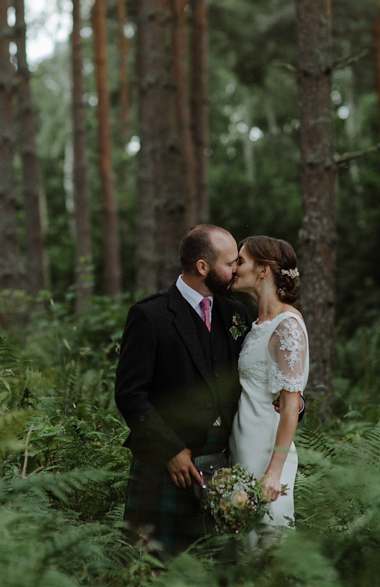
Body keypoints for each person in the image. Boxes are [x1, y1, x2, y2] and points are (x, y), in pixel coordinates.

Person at [114, 224, 250, 555]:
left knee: (216, 567)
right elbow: (130, 396)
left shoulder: (236, 314)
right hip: (165, 469)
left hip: (224, 466)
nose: (238, 269)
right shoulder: (150, 315)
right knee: (157, 566)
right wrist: (170, 450)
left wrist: (293, 404)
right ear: (202, 267)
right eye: (231, 262)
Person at [228, 235, 309, 546]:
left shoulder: (287, 324)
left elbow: (291, 405)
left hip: (266, 455)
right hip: (243, 448)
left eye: (241, 261)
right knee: (247, 552)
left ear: (263, 270)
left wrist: (273, 472)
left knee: (270, 546)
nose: (235, 267)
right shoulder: (257, 324)